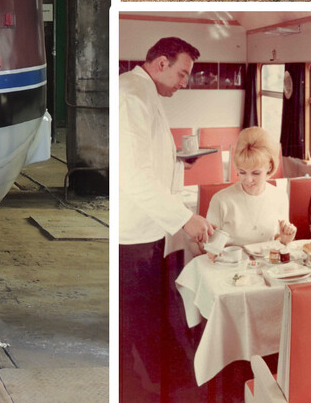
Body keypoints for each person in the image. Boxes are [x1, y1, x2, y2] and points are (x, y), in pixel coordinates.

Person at [118, 36, 214, 403]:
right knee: (134, 320)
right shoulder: (132, 96)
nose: (185, 82)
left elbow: (145, 161)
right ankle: (135, 388)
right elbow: (133, 175)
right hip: (133, 237)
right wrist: (185, 218)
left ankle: (153, 383)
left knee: (146, 315)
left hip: (147, 230)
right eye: (183, 73)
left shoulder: (145, 94)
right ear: (161, 63)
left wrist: (178, 160)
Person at [206, 127, 296, 246]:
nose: (248, 180)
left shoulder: (280, 197)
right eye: (242, 172)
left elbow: (277, 240)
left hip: (267, 262)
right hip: (231, 263)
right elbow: (208, 246)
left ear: (269, 167)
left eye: (256, 173)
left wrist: (284, 240)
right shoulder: (221, 200)